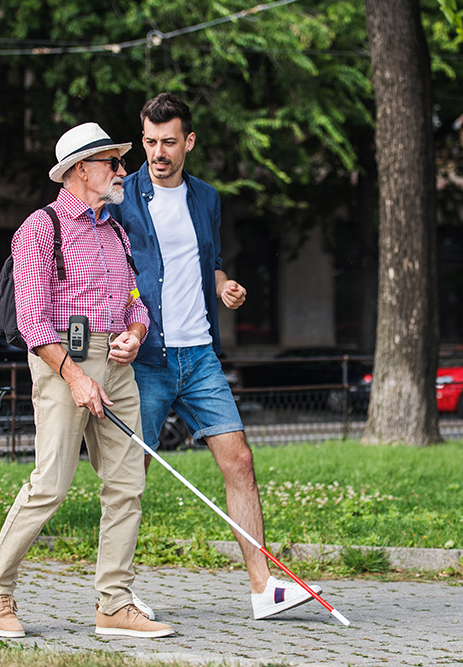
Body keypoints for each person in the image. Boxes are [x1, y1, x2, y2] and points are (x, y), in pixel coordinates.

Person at [108, 93, 321, 620]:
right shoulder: (123, 197)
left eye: (168, 142)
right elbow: (113, 270)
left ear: (189, 142)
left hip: (200, 353)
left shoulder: (206, 197)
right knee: (131, 473)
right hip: (150, 358)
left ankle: (262, 588)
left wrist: (225, 287)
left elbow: (212, 261)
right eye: (150, 142)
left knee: (239, 459)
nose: (157, 153)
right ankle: (116, 592)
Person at [0, 122, 174, 640]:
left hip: (116, 360)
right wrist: (76, 377)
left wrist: (135, 329)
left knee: (127, 484)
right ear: (81, 169)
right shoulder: (40, 230)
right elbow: (32, 320)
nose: (123, 170)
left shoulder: (116, 230)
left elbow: (135, 298)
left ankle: (114, 604)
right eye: (113, 161)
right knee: (51, 484)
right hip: (62, 360)